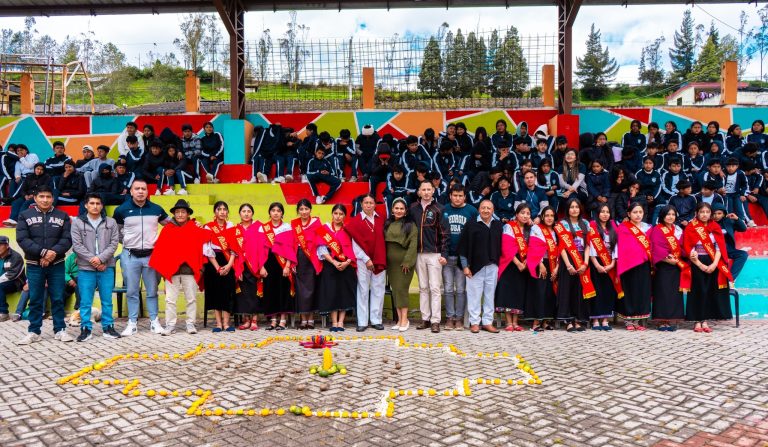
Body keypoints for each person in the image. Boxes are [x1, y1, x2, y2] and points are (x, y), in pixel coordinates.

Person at [15, 186, 73, 345]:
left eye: (48, 196)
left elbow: (67, 239)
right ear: (35, 198)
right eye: (41, 196)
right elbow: (22, 239)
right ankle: (34, 332)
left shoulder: (62, 216)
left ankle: (60, 330)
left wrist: (52, 254)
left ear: (53, 198)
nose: (45, 200)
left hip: (57, 264)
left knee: (58, 298)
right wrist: (43, 252)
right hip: (34, 265)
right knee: (35, 298)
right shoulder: (24, 215)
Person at [112, 179, 169, 337]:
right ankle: (132, 323)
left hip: (151, 255)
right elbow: (116, 232)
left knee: (152, 291)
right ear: (131, 191)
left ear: (147, 191)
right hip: (130, 255)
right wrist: (128, 242)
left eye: (143, 189)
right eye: (137, 188)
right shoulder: (121, 210)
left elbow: (172, 225)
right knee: (131, 291)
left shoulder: (156, 209)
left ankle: (154, 322)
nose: (140, 191)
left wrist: (192, 225)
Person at [150, 199, 209, 335]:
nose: (180, 214)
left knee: (191, 298)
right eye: (177, 212)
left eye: (183, 212)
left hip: (190, 270)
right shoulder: (167, 229)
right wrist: (164, 271)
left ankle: (191, 323)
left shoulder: (195, 228)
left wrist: (200, 269)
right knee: (170, 300)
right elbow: (161, 251)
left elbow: (205, 242)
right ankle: (170, 325)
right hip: (172, 271)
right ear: (174, 214)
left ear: (188, 214)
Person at [70, 193, 121, 341]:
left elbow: (114, 243)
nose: (95, 206)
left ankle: (108, 327)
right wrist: (93, 260)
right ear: (86, 205)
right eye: (92, 203)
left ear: (102, 205)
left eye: (98, 203)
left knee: (107, 300)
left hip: (106, 267)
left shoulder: (111, 222)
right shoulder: (78, 223)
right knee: (85, 301)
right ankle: (86, 329)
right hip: (86, 269)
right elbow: (77, 245)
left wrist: (101, 259)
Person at [683, 202, 733, 332]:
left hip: (712, 262)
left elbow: (719, 247)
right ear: (697, 213)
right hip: (697, 263)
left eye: (707, 212)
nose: (704, 214)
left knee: (709, 291)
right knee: (698, 291)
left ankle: (705, 321)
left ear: (711, 214)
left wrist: (714, 264)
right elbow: (688, 248)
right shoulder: (691, 227)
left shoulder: (715, 226)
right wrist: (700, 265)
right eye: (702, 212)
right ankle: (696, 321)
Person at [410, 181, 449, 333]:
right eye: (423, 189)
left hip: (434, 254)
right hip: (418, 254)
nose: (426, 192)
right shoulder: (413, 208)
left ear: (433, 191)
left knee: (435, 288)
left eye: (429, 189)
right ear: (419, 192)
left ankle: (435, 321)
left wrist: (444, 254)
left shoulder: (440, 208)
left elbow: (445, 233)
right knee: (423, 287)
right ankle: (425, 319)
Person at [458, 199, 502, 334]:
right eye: (483, 208)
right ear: (479, 209)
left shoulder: (498, 225)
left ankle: (487, 322)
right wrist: (465, 267)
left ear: (493, 210)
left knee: (490, 296)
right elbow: (463, 247)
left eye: (489, 208)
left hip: (492, 266)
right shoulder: (471, 225)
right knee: (474, 296)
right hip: (474, 267)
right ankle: (475, 322)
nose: (486, 210)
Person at [345, 194, 387, 332]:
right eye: (366, 203)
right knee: (363, 289)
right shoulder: (355, 221)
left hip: (379, 258)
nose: (369, 205)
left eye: (371, 202)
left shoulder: (381, 219)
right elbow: (354, 243)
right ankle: (362, 321)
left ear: (375, 204)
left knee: (378, 289)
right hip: (363, 261)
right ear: (362, 204)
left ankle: (376, 320)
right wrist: (366, 259)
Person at [441, 184, 477, 331]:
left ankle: (460, 318)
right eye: (455, 195)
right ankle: (450, 317)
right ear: (450, 196)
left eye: (460, 196)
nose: (457, 198)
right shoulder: (444, 210)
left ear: (465, 197)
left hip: (463, 258)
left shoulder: (472, 211)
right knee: (448, 289)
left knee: (461, 289)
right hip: (447, 256)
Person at [316, 204, 357, 332]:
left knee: (343, 293)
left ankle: (341, 322)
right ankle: (334, 322)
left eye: (341, 214)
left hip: (346, 266)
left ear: (344, 216)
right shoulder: (325, 229)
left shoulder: (349, 230)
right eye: (336, 213)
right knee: (332, 292)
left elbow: (355, 248)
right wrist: (333, 262)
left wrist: (347, 262)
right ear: (332, 214)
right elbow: (322, 249)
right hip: (330, 265)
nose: (338, 216)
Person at [553, 198, 592, 332]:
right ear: (567, 209)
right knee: (567, 291)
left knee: (579, 291)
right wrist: (569, 265)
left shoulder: (585, 223)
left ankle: (578, 320)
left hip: (582, 260)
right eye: (571, 207)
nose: (574, 209)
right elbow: (561, 247)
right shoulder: (562, 224)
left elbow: (588, 245)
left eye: (577, 207)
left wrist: (585, 263)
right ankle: (568, 321)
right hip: (568, 260)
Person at [256, 202, 296, 330]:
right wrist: (261, 267)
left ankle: (283, 321)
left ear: (282, 213)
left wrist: (288, 265)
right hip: (268, 263)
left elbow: (290, 247)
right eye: (273, 210)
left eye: (278, 210)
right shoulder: (263, 228)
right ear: (269, 212)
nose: (276, 213)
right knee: (270, 290)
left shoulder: (286, 227)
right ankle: (273, 320)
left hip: (283, 263)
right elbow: (259, 249)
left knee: (283, 290)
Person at [648, 205, 687, 331]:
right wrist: (666, 259)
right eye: (668, 214)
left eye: (673, 214)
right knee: (662, 293)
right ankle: (661, 321)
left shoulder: (678, 229)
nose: (671, 217)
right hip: (663, 266)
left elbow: (682, 246)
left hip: (676, 266)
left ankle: (671, 320)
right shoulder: (657, 229)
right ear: (662, 216)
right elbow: (655, 247)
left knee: (674, 294)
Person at [616, 202, 653, 331]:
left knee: (642, 291)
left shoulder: (648, 228)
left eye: (640, 212)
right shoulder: (623, 228)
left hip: (644, 265)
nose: (638, 215)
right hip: (628, 265)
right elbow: (622, 247)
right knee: (629, 291)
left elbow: (651, 246)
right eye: (635, 212)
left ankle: (637, 321)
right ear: (629, 214)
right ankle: (628, 320)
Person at [385, 198, 418, 332]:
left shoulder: (410, 225)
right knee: (395, 291)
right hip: (391, 265)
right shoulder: (388, 223)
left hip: (404, 264)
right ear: (392, 210)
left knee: (402, 290)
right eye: (396, 208)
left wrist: (407, 262)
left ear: (405, 211)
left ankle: (405, 319)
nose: (399, 211)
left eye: (401, 209)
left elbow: (413, 245)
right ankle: (399, 320)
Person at [203, 201, 237, 332]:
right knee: (216, 291)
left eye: (224, 209)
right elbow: (206, 249)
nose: (222, 212)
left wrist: (229, 265)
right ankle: (218, 324)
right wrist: (217, 267)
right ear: (215, 212)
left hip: (229, 260)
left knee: (227, 291)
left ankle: (226, 323)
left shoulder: (231, 226)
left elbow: (235, 247)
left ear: (227, 212)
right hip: (214, 262)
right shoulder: (209, 227)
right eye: (219, 209)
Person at [586, 205, 619, 331]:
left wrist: (612, 264)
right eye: (602, 212)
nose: (605, 214)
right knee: (597, 291)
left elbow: (616, 247)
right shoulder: (592, 227)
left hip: (610, 263)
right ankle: (595, 320)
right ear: (597, 213)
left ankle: (605, 319)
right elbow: (590, 247)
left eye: (607, 212)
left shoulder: (613, 227)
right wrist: (597, 265)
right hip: (596, 263)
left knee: (608, 292)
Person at [525, 206, 558, 332]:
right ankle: (536, 322)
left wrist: (556, 268)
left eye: (552, 216)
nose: (549, 218)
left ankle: (545, 321)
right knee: (539, 292)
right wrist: (540, 264)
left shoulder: (556, 231)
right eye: (547, 215)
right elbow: (533, 246)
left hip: (553, 263)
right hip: (539, 262)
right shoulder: (537, 228)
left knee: (549, 292)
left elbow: (560, 249)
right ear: (542, 217)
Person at [291, 199, 322, 329]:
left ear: (310, 210)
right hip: (299, 257)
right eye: (301, 209)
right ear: (298, 211)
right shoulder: (294, 224)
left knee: (312, 287)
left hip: (312, 258)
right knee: (300, 289)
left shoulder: (316, 222)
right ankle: (303, 319)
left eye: (306, 209)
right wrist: (292, 261)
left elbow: (320, 241)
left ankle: (311, 318)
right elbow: (291, 244)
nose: (304, 212)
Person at [233, 204, 262, 331]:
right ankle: (246, 320)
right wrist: (237, 268)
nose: (246, 214)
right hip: (241, 264)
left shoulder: (259, 227)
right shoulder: (236, 229)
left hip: (255, 264)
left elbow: (262, 247)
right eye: (243, 211)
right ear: (240, 213)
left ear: (252, 213)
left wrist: (261, 265)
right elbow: (233, 250)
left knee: (254, 292)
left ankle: (254, 320)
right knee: (243, 293)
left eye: (249, 211)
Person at [5, 162, 52, 227]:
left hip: (38, 196)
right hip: (27, 195)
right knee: (16, 202)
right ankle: (12, 220)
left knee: (26, 203)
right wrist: (25, 195)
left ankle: (20, 221)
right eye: (38, 169)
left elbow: (44, 189)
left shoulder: (47, 177)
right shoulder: (29, 177)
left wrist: (34, 195)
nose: (39, 171)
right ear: (35, 169)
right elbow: (23, 189)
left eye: (41, 169)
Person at [711, 203, 748, 282]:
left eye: (719, 213)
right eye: (714, 213)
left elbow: (743, 229)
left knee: (743, 254)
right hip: (712, 250)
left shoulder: (728, 222)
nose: (716, 216)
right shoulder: (708, 223)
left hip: (728, 250)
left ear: (724, 214)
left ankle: (730, 279)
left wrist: (737, 219)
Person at [0, 235, 25, 322]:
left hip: (16, 282)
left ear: (7, 246)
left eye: (0, 245)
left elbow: (13, 274)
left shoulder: (16, 256)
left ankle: (3, 313)